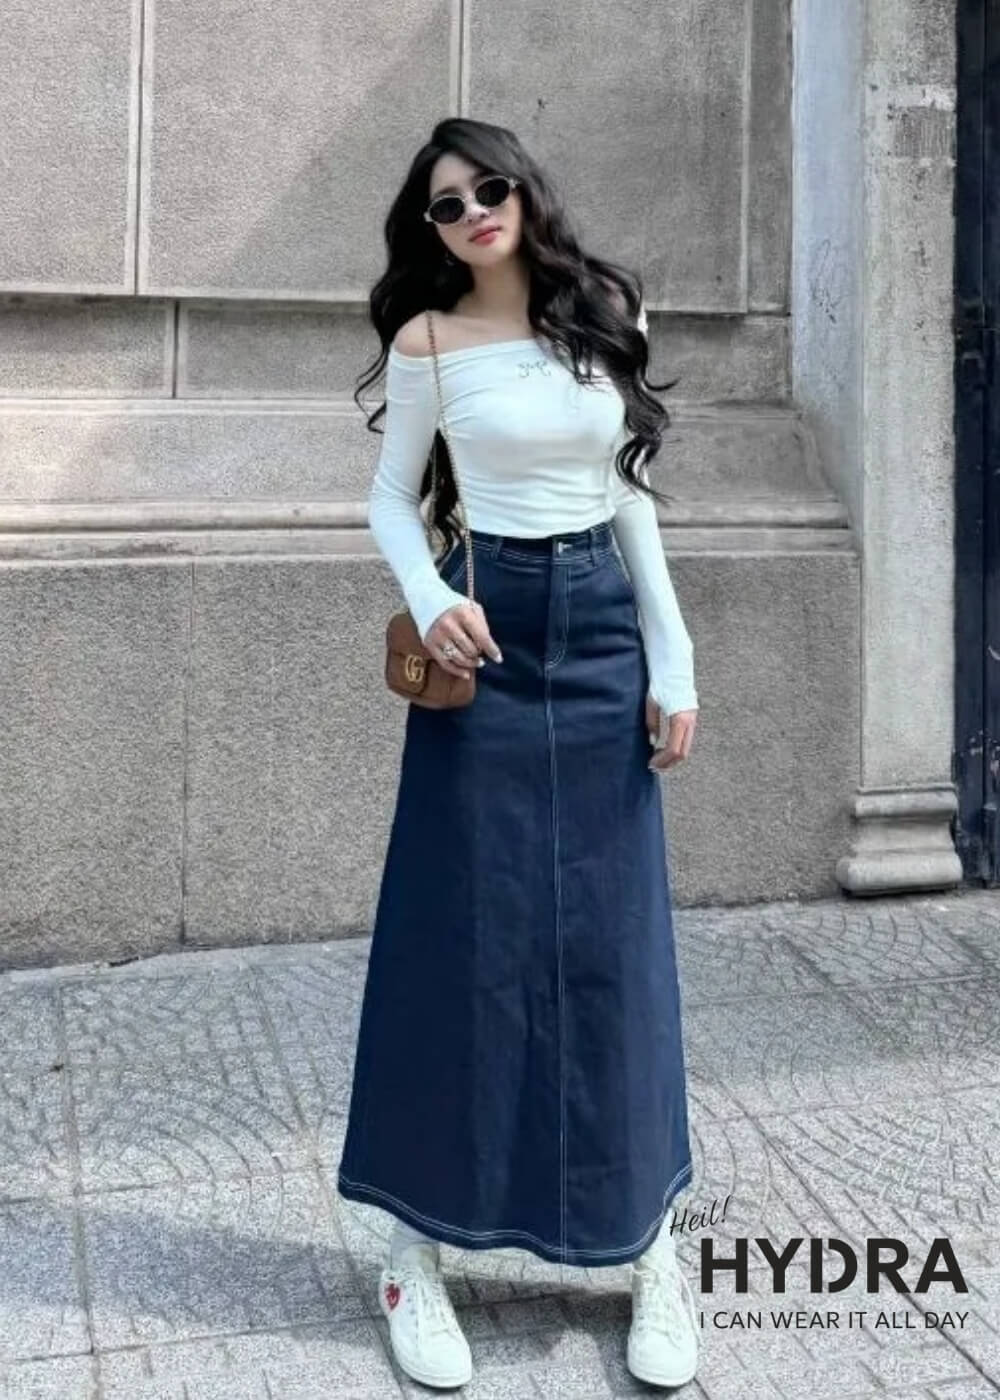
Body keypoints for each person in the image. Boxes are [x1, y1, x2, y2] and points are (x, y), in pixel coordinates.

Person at [337, 116, 700, 1390]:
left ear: (524, 189)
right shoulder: (428, 341)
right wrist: (429, 594)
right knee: (459, 937)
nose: (474, 211)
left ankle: (649, 1240)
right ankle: (412, 1244)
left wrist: (672, 656)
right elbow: (391, 496)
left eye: (489, 186)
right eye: (447, 203)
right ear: (429, 229)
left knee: (613, 941)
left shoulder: (606, 308)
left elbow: (629, 492)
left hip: (599, 631)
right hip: (485, 635)